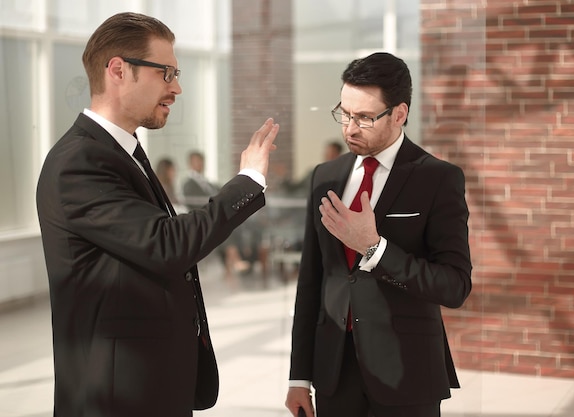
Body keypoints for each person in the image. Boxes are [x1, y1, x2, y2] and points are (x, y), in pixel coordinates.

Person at [35, 12, 279, 417]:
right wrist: (249, 179)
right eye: (166, 73)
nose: (177, 88)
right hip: (116, 396)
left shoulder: (121, 152)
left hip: (150, 386)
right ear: (118, 70)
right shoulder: (79, 162)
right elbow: (168, 244)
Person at [284, 52, 472, 417]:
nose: (350, 128)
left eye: (365, 118)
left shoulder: (437, 178)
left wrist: (375, 248)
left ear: (399, 114)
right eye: (345, 113)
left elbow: (454, 286)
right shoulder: (325, 176)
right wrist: (298, 377)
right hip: (334, 372)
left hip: (407, 372)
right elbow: (312, 282)